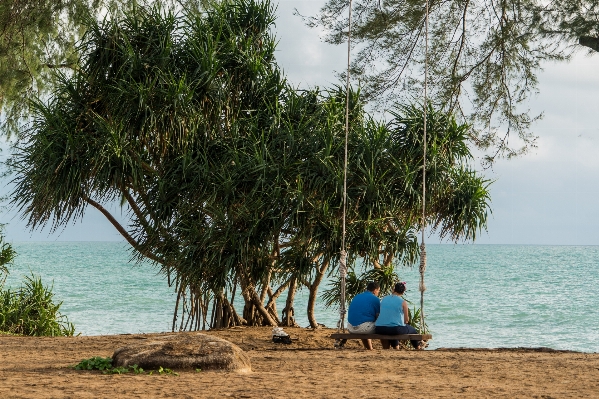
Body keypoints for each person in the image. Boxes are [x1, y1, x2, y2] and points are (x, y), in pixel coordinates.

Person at [375, 282, 422, 349]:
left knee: (393, 328)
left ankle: (396, 347)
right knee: (412, 330)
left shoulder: (384, 299)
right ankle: (417, 348)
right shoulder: (403, 302)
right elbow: (406, 320)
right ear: (403, 292)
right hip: (394, 329)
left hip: (380, 328)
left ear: (394, 289)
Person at [347, 281, 381, 350]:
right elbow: (378, 317)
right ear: (375, 290)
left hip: (350, 328)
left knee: (365, 323)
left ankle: (369, 348)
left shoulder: (357, 296)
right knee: (382, 326)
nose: (378, 293)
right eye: (378, 291)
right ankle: (387, 348)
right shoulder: (375, 299)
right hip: (363, 328)